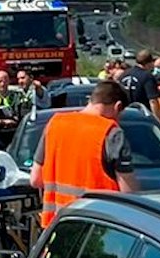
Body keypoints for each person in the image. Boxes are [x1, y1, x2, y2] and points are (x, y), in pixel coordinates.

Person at [31, 80, 139, 228]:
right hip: (97, 229)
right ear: (117, 106)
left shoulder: (55, 124)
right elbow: (129, 193)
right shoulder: (111, 133)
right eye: (120, 114)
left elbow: (36, 180)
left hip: (57, 226)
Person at [0, 69, 30, 152]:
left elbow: (22, 117)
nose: (3, 84)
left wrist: (7, 122)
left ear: (9, 81)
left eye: (5, 81)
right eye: (0, 81)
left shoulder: (17, 97)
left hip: (13, 134)